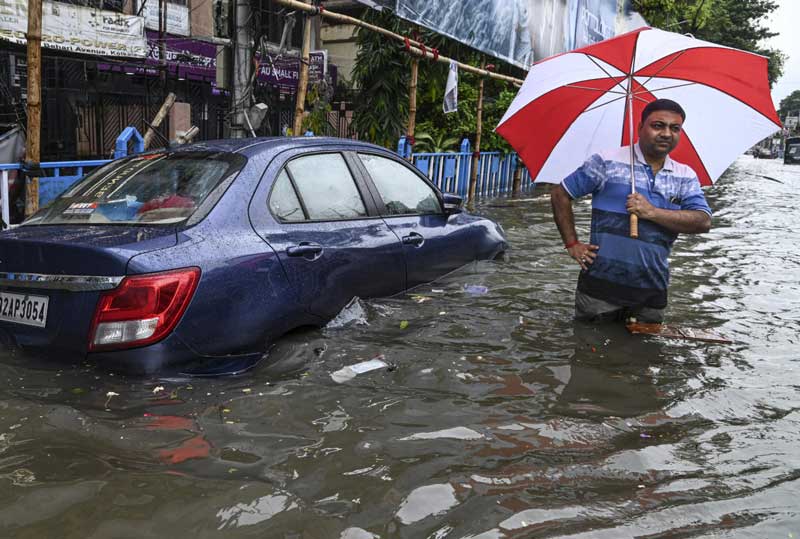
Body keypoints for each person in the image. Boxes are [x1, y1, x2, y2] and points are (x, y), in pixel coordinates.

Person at [550, 99, 712, 323]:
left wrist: (652, 212)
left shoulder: (684, 175)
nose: (666, 133)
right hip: (599, 290)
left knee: (643, 355)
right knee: (590, 350)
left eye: (675, 128)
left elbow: (703, 221)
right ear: (640, 128)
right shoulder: (606, 161)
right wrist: (572, 244)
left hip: (651, 290)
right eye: (658, 125)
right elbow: (560, 194)